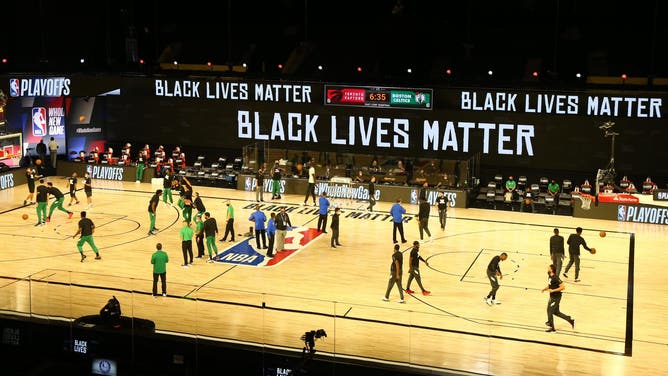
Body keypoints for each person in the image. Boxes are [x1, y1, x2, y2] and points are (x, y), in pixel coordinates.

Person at [542, 264, 575, 332]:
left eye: (548, 268)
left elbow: (563, 287)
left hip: (556, 297)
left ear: (551, 269)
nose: (547, 269)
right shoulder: (550, 276)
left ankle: (551, 326)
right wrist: (544, 289)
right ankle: (569, 319)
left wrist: (553, 290)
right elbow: (550, 285)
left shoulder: (556, 278)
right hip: (552, 296)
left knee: (550, 310)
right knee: (556, 312)